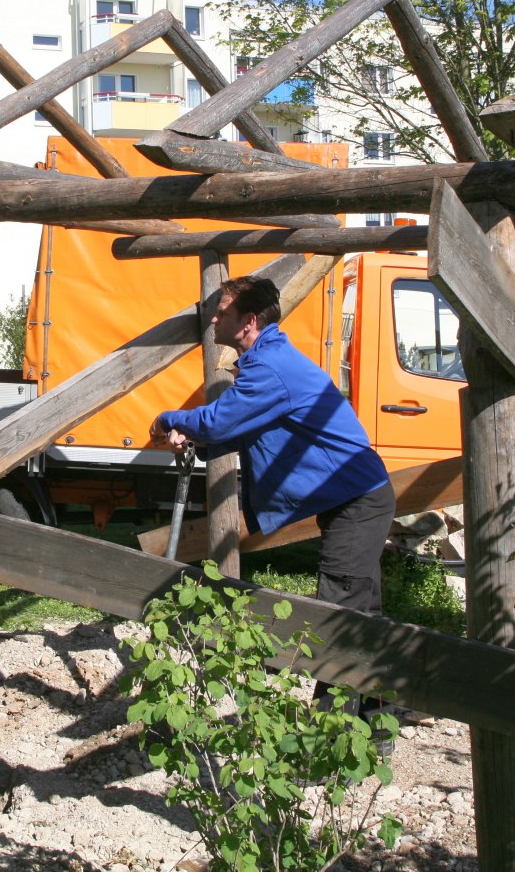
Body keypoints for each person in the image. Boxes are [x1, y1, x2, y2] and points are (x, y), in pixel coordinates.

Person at [149, 275, 396, 707]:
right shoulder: (269, 361)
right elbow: (243, 428)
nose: (213, 318)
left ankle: (332, 725)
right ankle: (379, 717)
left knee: (340, 612)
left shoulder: (270, 368)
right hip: (355, 497)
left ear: (248, 321)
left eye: (222, 311)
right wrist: (196, 437)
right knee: (360, 611)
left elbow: (219, 422)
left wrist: (170, 419)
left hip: (357, 501)